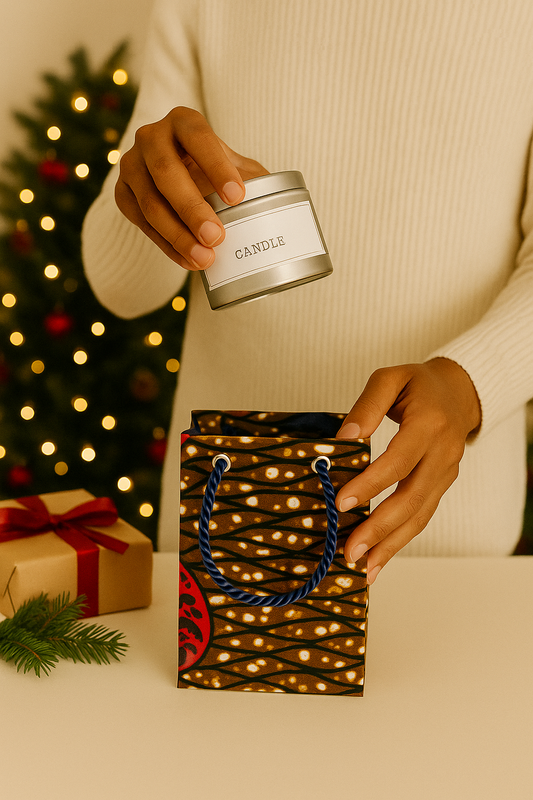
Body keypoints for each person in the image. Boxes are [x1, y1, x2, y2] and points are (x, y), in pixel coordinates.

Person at [82, 0, 533, 583]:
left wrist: (472, 382)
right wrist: (145, 190)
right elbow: (121, 287)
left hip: (450, 552)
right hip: (226, 526)